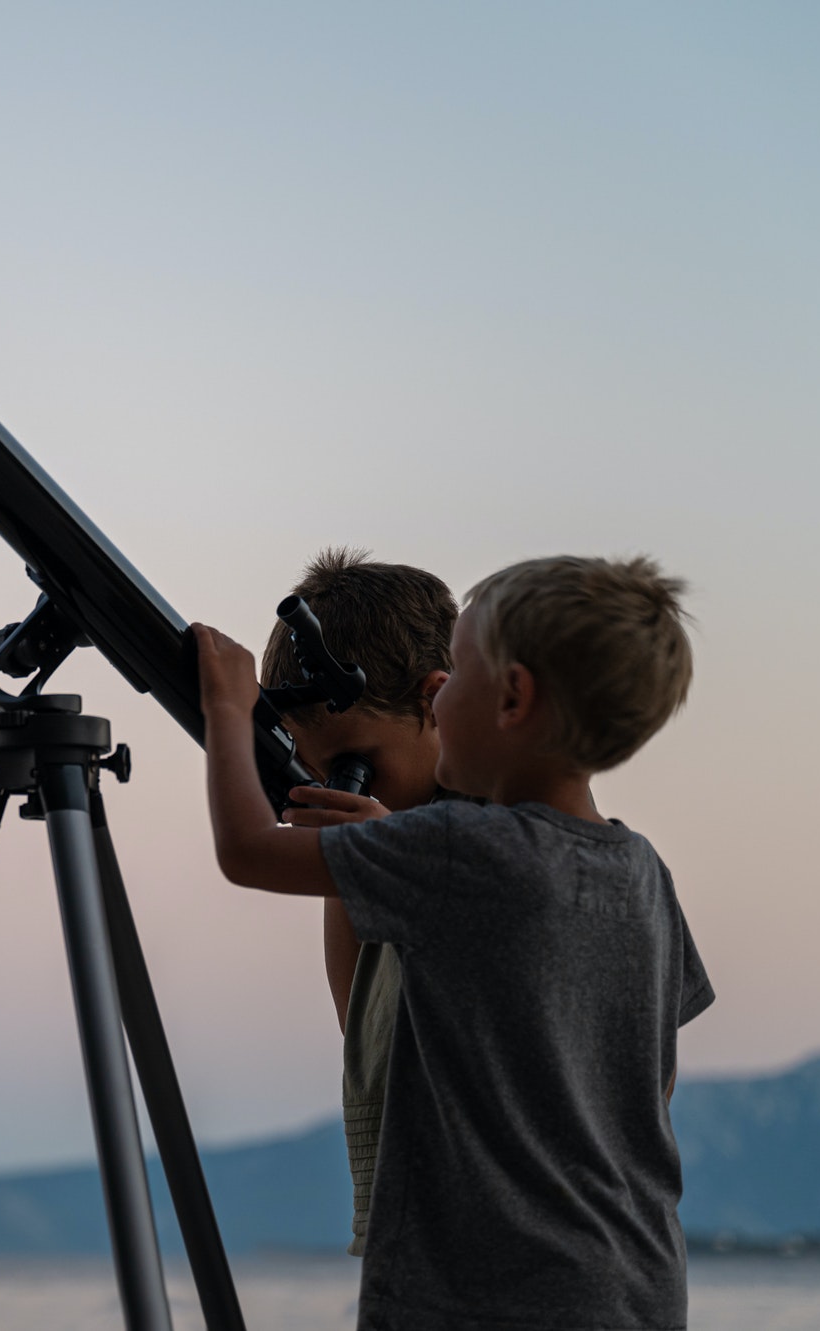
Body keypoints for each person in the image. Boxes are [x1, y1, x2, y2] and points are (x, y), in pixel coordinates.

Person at [193, 555, 712, 1331]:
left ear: (512, 696)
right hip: (633, 1284)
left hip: (475, 1292)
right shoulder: (642, 872)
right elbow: (641, 1086)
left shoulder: (458, 854)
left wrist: (227, 711)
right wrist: (376, 860)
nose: (440, 692)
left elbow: (246, 849)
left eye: (454, 675)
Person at [257, 549, 457, 1257]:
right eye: (318, 772)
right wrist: (354, 862)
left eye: (357, 762)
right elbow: (361, 1032)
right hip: (409, 1243)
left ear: (436, 702)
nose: (342, 788)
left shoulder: (495, 844)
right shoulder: (391, 854)